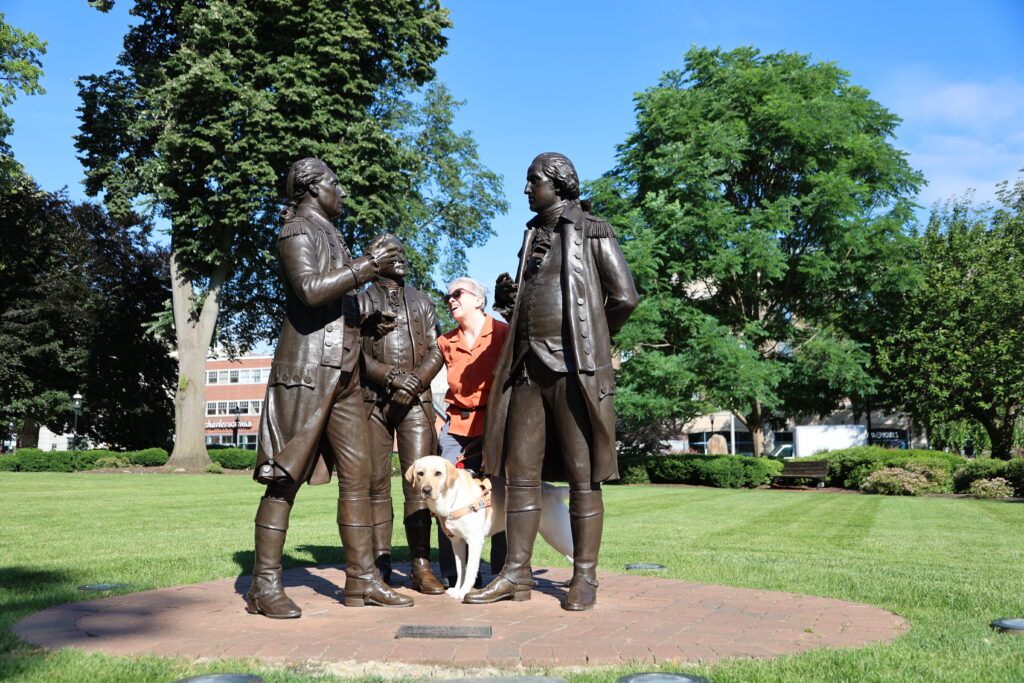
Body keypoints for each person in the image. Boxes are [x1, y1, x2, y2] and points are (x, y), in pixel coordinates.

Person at [464, 153, 638, 611]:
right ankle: (516, 573)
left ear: (559, 185)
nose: (526, 189)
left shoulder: (592, 228)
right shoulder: (531, 234)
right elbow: (536, 298)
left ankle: (584, 576)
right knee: (520, 476)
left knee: (584, 476)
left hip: (573, 368)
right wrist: (511, 301)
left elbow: (624, 297)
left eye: (533, 181)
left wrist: (592, 339)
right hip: (525, 367)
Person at [247, 157, 414, 618]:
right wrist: (368, 266)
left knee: (359, 477)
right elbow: (309, 290)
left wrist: (365, 317)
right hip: (306, 373)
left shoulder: (330, 232)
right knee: (284, 480)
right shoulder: (297, 231)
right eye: (335, 184)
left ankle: (362, 581)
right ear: (311, 187)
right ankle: (264, 585)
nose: (342, 192)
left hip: (345, 376)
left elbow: (335, 302)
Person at [357, 235, 445, 595]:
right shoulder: (359, 300)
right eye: (393, 254)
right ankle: (380, 563)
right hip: (371, 401)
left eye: (404, 253)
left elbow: (439, 349)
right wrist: (389, 376)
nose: (402, 259)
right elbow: (352, 354)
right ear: (376, 258)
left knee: (421, 485)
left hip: (416, 402)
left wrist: (415, 382)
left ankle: (421, 565)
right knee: (376, 484)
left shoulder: (422, 301)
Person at [435, 277, 509, 586]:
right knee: (444, 494)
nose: (450, 299)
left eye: (457, 294)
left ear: (478, 300)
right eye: (447, 296)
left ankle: (504, 572)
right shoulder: (445, 342)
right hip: (457, 427)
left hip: (496, 424)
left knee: (502, 495)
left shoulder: (504, 333)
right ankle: (455, 574)